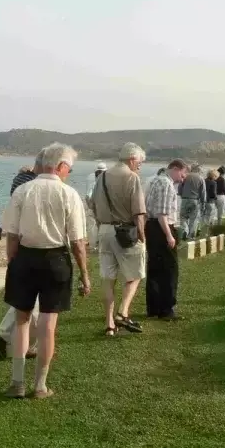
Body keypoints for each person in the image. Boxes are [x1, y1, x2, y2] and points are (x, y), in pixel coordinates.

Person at [1, 142, 89, 399]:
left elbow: (12, 235)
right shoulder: (69, 194)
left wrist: (12, 261)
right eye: (69, 169)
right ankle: (40, 385)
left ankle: (17, 382)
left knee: (21, 321)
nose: (68, 173)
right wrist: (84, 274)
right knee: (48, 325)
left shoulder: (23, 191)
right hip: (56, 260)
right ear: (61, 166)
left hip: (25, 258)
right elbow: (78, 242)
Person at [0, 149, 44, 361]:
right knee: (34, 297)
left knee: (29, 295)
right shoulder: (35, 185)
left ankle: (7, 336)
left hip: (18, 237)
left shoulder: (21, 178)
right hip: (31, 241)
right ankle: (13, 339)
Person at [89, 142, 147, 336]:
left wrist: (101, 226)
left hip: (104, 230)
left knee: (108, 278)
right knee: (136, 273)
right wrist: (142, 236)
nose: (140, 165)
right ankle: (122, 313)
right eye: (140, 161)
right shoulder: (132, 177)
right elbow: (138, 212)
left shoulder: (102, 176)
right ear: (132, 159)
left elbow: (93, 205)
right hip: (125, 232)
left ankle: (109, 325)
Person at [145, 159, 189, 320]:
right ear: (176, 169)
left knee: (155, 268)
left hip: (152, 226)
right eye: (183, 174)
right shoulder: (166, 184)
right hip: (162, 227)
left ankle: (154, 307)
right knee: (170, 269)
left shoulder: (155, 180)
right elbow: (162, 214)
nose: (183, 179)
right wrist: (169, 235)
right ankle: (166, 308)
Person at [179, 164, 206, 240]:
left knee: (183, 216)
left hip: (185, 199)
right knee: (193, 218)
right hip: (195, 200)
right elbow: (203, 192)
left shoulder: (186, 177)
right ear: (198, 170)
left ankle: (185, 229)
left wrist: (181, 194)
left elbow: (180, 187)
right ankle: (191, 235)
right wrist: (203, 203)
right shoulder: (201, 178)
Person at [86, 162, 107, 252]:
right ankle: (96, 245)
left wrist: (90, 206)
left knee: (94, 228)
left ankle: (94, 245)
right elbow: (88, 196)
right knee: (98, 228)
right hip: (99, 209)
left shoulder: (93, 182)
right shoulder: (102, 183)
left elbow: (87, 197)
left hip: (95, 208)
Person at [203, 169, 219, 234]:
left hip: (203, 201)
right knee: (210, 217)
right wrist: (216, 198)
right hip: (210, 201)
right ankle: (209, 232)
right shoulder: (213, 183)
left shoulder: (203, 181)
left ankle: (203, 231)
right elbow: (213, 193)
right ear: (214, 176)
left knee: (203, 216)